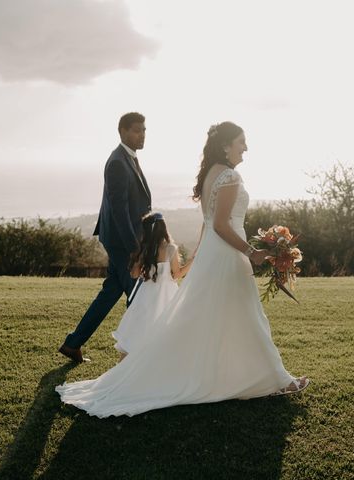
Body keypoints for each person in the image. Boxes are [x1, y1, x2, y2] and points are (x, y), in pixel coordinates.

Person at [56, 121, 309, 417]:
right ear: (226, 145)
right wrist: (251, 251)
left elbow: (206, 226)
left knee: (224, 317)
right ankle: (279, 380)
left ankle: (250, 376)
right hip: (228, 256)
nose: (246, 148)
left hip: (216, 254)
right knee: (249, 316)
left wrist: (200, 256)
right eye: (242, 142)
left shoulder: (210, 174)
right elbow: (219, 224)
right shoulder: (229, 175)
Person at [58, 112, 151, 363]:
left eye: (144, 130)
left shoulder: (128, 158)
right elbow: (119, 210)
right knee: (138, 296)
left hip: (124, 240)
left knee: (111, 292)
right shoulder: (118, 162)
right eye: (136, 130)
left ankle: (73, 343)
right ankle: (133, 357)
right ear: (122, 131)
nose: (142, 135)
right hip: (123, 242)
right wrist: (134, 248)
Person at [112, 212, 194, 361]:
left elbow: (134, 275)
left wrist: (137, 259)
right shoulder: (170, 248)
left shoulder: (144, 249)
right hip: (166, 294)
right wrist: (193, 261)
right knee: (165, 326)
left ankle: (125, 365)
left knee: (140, 327)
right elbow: (176, 274)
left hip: (147, 294)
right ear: (164, 229)